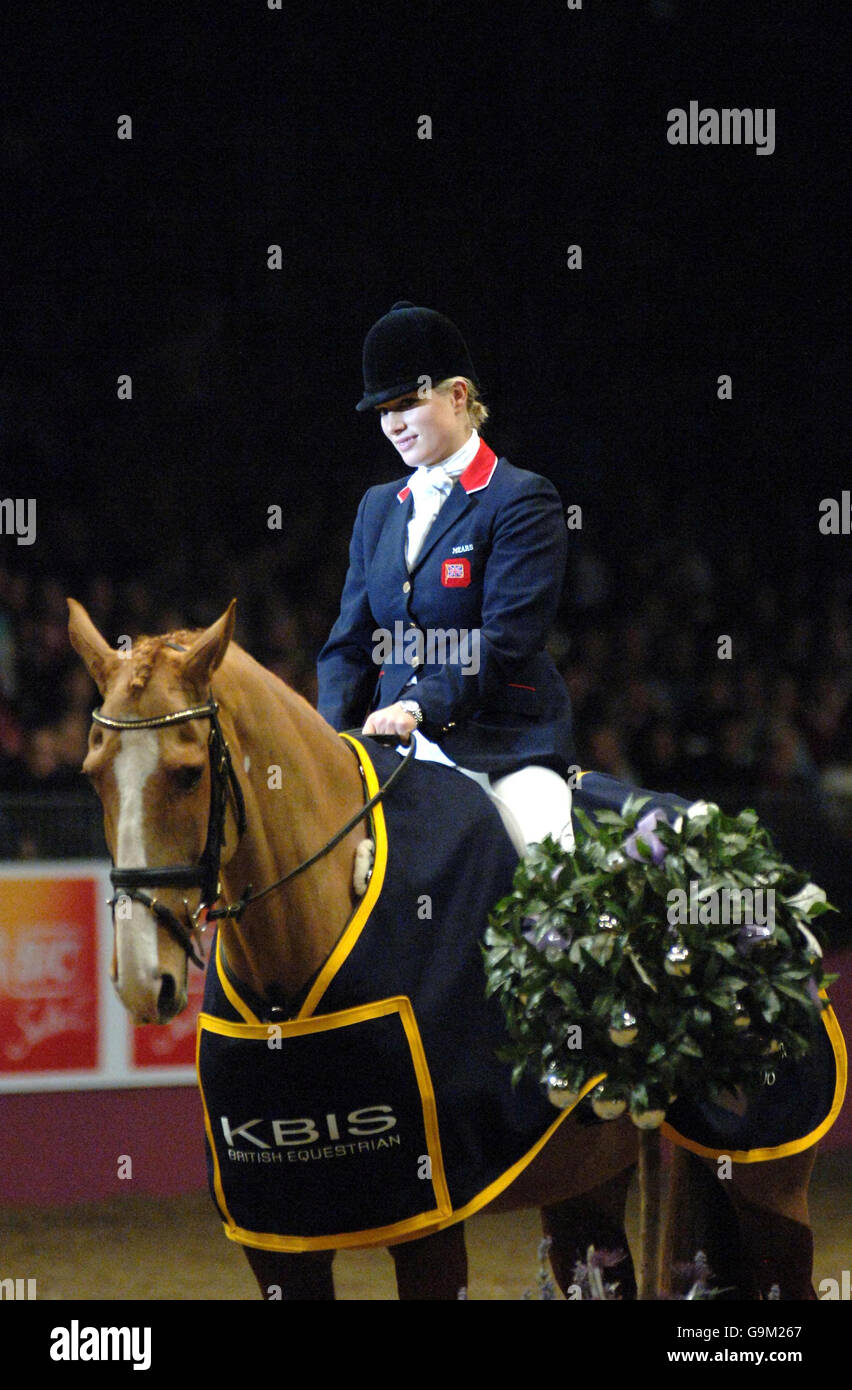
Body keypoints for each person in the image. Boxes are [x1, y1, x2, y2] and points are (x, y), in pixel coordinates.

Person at [317, 300, 575, 854]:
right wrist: (324, 742)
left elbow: (506, 639)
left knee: (547, 862)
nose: (393, 424)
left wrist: (417, 707)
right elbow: (349, 644)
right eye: (383, 410)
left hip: (501, 745)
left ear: (458, 395)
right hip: (389, 749)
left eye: (408, 403)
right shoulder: (377, 507)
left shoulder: (522, 499)